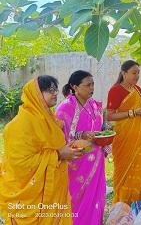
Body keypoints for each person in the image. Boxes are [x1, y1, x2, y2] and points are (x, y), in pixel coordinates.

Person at [0, 76, 81, 224]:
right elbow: (20, 163)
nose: (55, 93)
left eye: (55, 89)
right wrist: (58, 154)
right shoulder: (19, 125)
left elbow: (55, 146)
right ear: (35, 94)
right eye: (50, 90)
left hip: (55, 188)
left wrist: (66, 150)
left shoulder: (49, 119)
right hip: (31, 197)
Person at [55, 70, 106, 225]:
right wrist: (81, 134)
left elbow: (99, 128)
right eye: (87, 85)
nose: (91, 88)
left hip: (96, 159)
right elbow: (60, 137)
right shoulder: (65, 108)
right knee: (76, 199)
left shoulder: (93, 104)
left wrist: (104, 135)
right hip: (76, 162)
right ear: (74, 87)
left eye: (93, 84)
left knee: (96, 198)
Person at [106, 60, 141, 204]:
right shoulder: (116, 90)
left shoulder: (137, 89)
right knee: (124, 171)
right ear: (124, 73)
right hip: (124, 137)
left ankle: (138, 203)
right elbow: (109, 115)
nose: (137, 76)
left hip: (140, 136)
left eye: (138, 73)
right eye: (134, 73)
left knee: (140, 170)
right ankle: (123, 204)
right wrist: (133, 112)